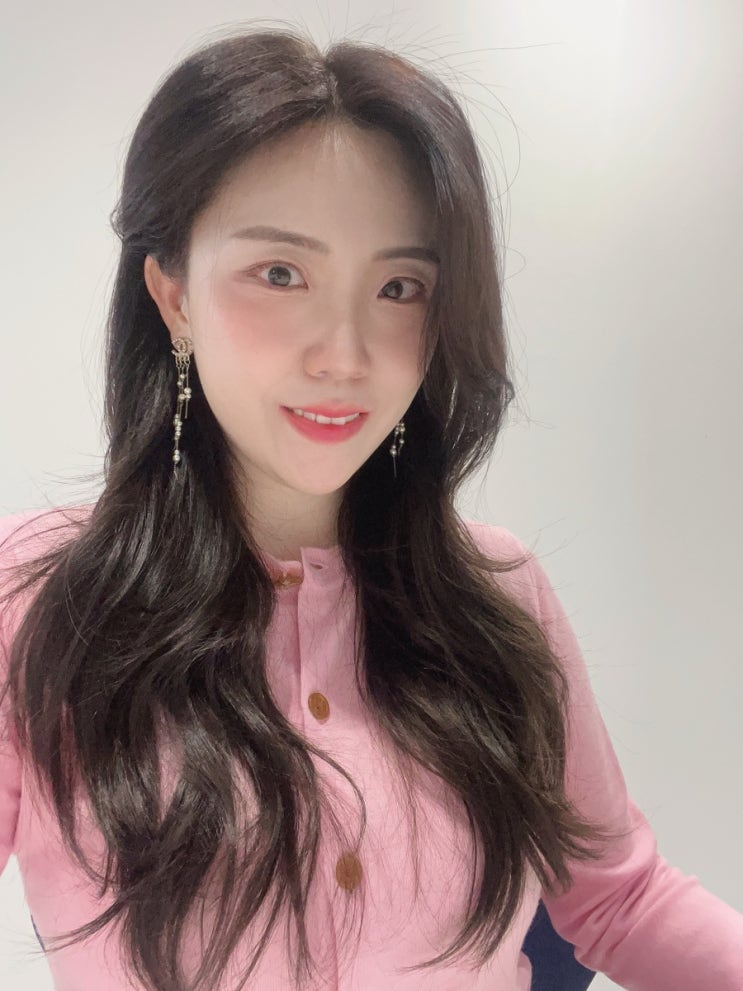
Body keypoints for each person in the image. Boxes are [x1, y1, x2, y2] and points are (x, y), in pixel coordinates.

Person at [1, 25, 741, 991]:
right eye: (281, 273)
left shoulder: (497, 597)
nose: (345, 354)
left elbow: (619, 899)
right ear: (172, 296)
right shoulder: (40, 601)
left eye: (398, 287)